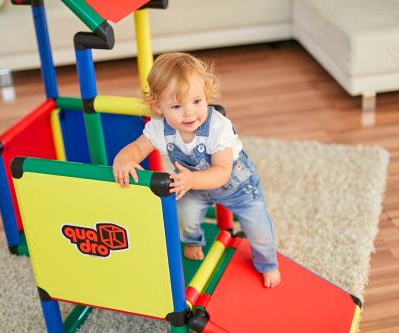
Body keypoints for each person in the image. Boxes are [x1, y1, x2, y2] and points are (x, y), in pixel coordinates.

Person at [112, 52, 281, 288]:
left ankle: (268, 264)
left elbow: (221, 172)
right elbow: (136, 149)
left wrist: (192, 179)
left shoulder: (218, 128)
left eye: (196, 101)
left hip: (238, 187)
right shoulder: (159, 128)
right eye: (177, 106)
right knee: (184, 215)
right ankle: (192, 241)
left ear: (206, 96)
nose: (189, 112)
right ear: (158, 107)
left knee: (259, 231)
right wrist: (124, 160)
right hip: (193, 186)